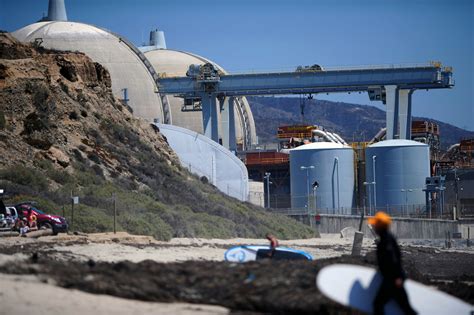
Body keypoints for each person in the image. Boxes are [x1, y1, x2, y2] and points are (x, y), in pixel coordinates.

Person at [368, 211, 417, 315]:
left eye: (376, 225)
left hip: (392, 280)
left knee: (378, 304)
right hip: (394, 279)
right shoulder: (388, 238)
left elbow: (393, 259)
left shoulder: (385, 241)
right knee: (406, 308)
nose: (374, 227)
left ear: (380, 226)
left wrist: (397, 278)